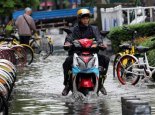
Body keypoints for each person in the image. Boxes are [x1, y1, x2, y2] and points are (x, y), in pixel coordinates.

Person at [62, 8, 110, 96]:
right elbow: (69, 38)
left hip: (92, 54)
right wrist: (67, 43)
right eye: (83, 18)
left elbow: (99, 38)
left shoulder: (94, 29)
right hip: (77, 54)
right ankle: (67, 85)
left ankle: (101, 83)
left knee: (106, 60)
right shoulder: (74, 29)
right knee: (66, 62)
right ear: (79, 19)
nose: (86, 20)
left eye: (87, 18)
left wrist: (101, 44)